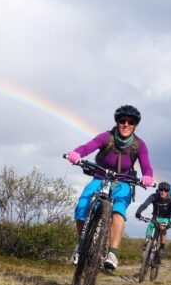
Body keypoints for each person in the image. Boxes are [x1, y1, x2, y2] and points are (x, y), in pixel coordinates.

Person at [66, 105, 154, 271]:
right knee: (81, 208)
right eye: (122, 120)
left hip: (123, 182)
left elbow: (146, 166)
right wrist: (76, 153)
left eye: (131, 122)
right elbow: (87, 147)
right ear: (117, 122)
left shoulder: (139, 145)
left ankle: (112, 254)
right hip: (100, 177)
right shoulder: (106, 137)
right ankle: (82, 246)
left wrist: (148, 177)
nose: (126, 124)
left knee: (118, 211)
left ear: (135, 125)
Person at [134, 181, 171, 256]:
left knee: (162, 227)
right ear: (158, 190)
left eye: (165, 190)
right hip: (156, 217)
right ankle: (147, 243)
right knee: (150, 226)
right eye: (161, 190)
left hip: (166, 218)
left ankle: (162, 247)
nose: (163, 192)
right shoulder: (154, 196)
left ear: (168, 192)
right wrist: (138, 213)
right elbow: (145, 204)